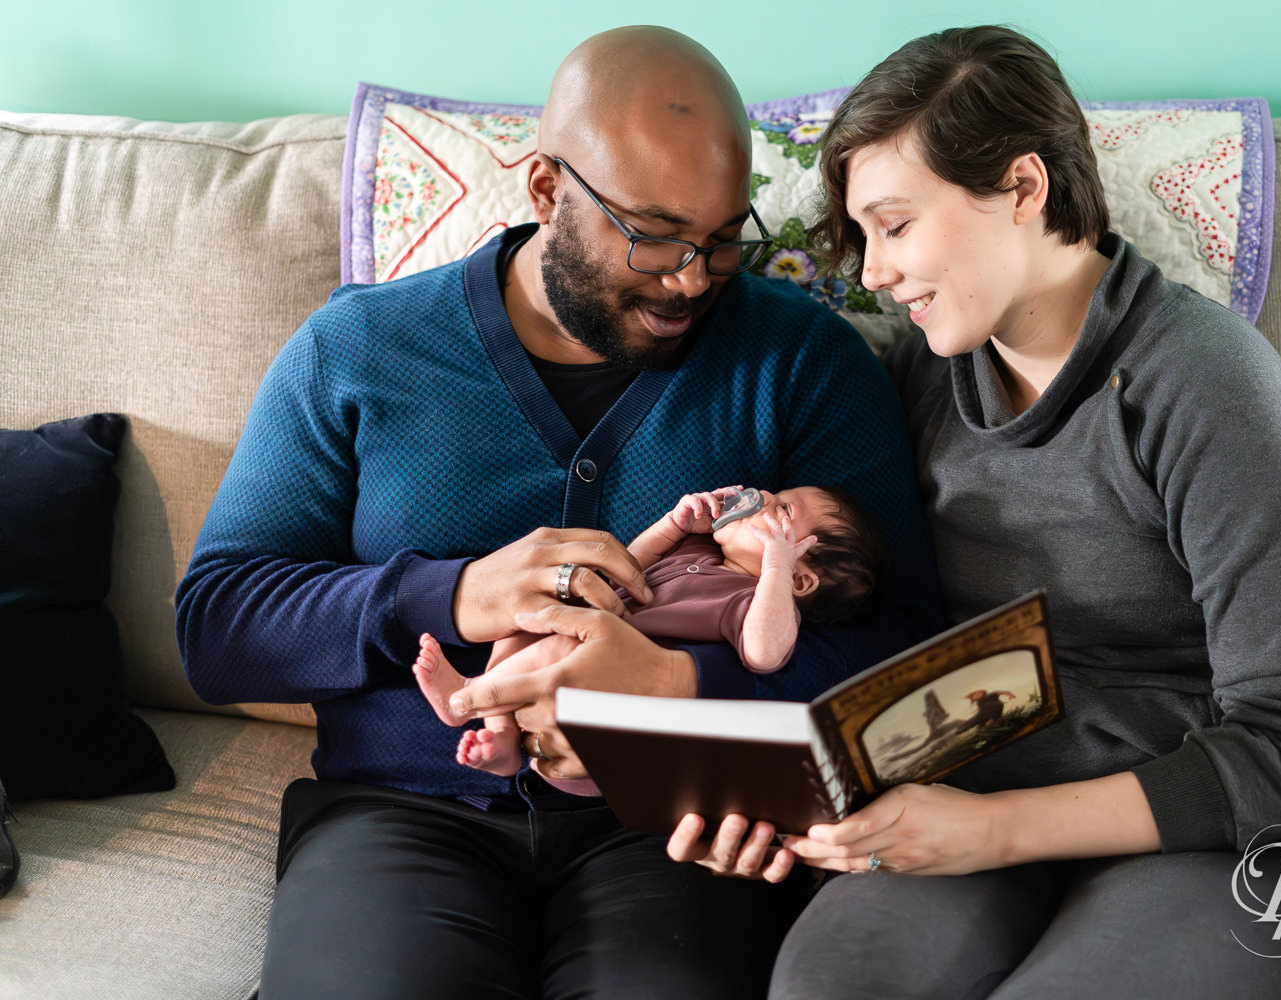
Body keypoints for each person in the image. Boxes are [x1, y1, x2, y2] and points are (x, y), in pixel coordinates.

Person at [174, 25, 939, 1000]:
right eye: (654, 235)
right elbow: (218, 625)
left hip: (671, 825)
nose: (692, 279)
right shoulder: (356, 349)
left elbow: (912, 650)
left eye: (718, 241)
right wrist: (448, 595)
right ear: (546, 189)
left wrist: (684, 685)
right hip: (403, 814)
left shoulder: (804, 362)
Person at [668, 26, 1281, 998]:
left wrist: (993, 830)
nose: (873, 274)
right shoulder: (930, 366)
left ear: (1022, 188)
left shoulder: (1211, 395)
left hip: (1202, 823)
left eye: (895, 225)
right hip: (968, 784)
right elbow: (855, 612)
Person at [412, 484, 886, 787]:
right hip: (561, 712)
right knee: (525, 616)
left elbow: (765, 655)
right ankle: (500, 742)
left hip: (615, 733)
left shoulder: (750, 601)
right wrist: (672, 526)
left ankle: (468, 697)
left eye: (782, 508)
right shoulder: (698, 551)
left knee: (559, 644)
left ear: (802, 580)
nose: (761, 494)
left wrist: (777, 568)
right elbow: (626, 570)